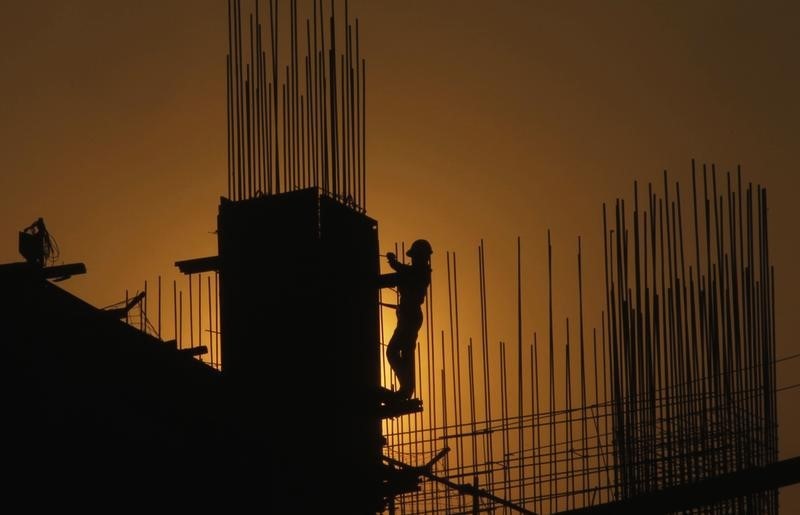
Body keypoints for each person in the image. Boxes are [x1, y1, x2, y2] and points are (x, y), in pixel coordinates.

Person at [379, 239, 432, 400]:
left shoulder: (420, 272)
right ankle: (407, 388)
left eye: (416, 256)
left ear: (421, 257)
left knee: (393, 351)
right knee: (405, 353)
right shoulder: (416, 272)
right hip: (407, 315)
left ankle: (406, 388)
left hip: (410, 316)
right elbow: (404, 272)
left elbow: (403, 271)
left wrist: (393, 260)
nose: (414, 259)